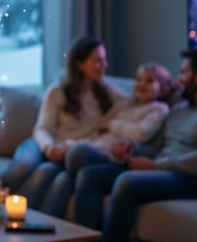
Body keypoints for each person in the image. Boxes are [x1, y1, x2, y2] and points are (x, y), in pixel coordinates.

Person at [47, 47, 197, 242]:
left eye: (184, 73)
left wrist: (156, 167)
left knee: (127, 182)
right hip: (161, 168)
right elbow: (154, 148)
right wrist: (130, 151)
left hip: (195, 180)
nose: (179, 79)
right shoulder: (179, 109)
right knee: (89, 175)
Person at [0, 37, 123, 209]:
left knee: (46, 173)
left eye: (104, 59)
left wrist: (167, 89)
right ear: (80, 65)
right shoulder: (57, 91)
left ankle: (24, 223)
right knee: (23, 167)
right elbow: (42, 129)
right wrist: (49, 147)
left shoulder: (108, 93)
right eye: (97, 60)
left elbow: (136, 104)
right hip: (41, 144)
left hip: (66, 153)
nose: (104, 65)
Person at [35, 62, 174, 217]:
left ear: (163, 89)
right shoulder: (124, 105)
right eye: (139, 79)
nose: (141, 84)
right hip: (96, 150)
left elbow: (140, 133)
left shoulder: (159, 109)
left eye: (149, 81)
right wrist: (69, 144)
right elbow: (98, 130)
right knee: (63, 177)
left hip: (113, 157)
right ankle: (44, 229)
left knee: (77, 153)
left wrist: (111, 124)